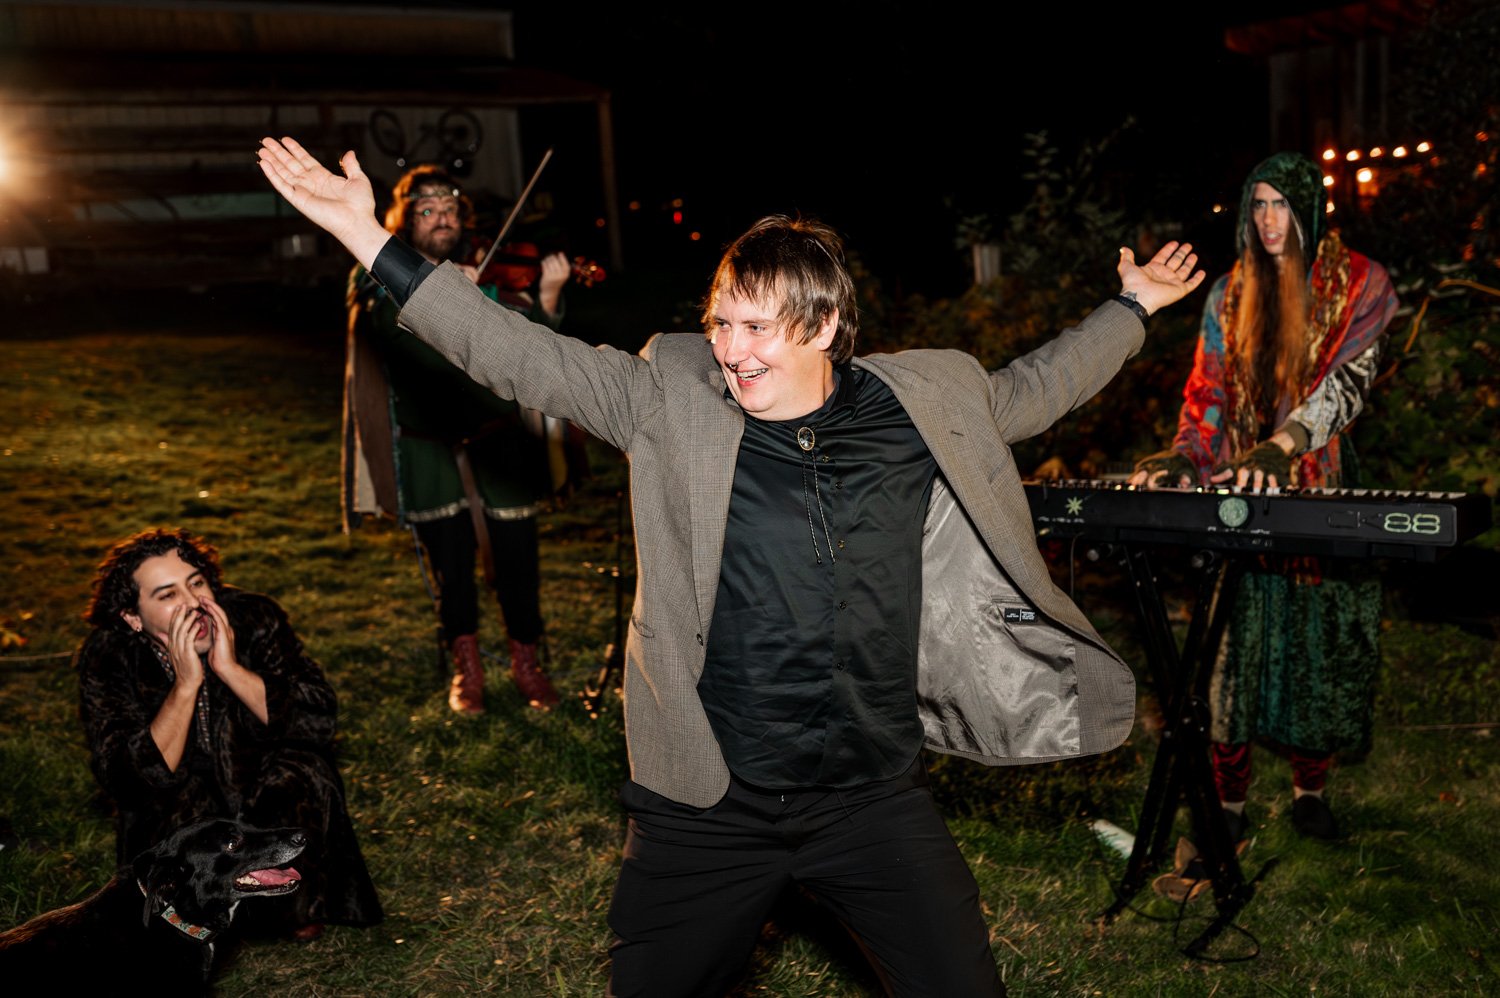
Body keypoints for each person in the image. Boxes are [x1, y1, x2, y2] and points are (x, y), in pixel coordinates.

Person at [259, 136, 1204, 995]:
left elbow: (1040, 385)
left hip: (870, 797)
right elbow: (518, 356)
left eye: (755, 328)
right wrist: (367, 240)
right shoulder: (671, 398)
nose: (729, 349)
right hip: (709, 804)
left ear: (825, 325)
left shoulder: (922, 401)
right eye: (720, 323)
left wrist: (1133, 307)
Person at [1130, 151, 1399, 842]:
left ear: (1308, 209)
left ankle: (1311, 792)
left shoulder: (1360, 285)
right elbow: (1208, 393)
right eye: (1258, 205)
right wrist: (1184, 455)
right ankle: (1229, 806)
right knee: (1231, 653)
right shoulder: (1228, 293)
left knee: (1317, 647)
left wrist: (1282, 448)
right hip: (1236, 493)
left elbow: (1344, 387)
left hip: (1316, 484)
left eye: (1281, 204)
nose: (1268, 219)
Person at [75, 528, 383, 941]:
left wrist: (230, 670)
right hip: (185, 805)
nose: (191, 604)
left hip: (257, 786)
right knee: (170, 802)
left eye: (196, 583)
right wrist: (185, 686)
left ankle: (297, 903)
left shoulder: (255, 617)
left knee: (303, 768)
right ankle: (198, 913)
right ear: (133, 617)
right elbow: (128, 779)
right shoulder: (109, 655)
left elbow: (317, 719)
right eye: (167, 595)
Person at [344, 163, 567, 712]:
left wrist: (551, 299)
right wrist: (437, 293)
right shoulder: (377, 272)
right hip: (427, 446)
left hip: (498, 440)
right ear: (405, 219)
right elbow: (376, 318)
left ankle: (526, 659)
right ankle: (466, 666)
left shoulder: (485, 274)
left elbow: (538, 351)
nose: (442, 218)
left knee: (519, 559)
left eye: (450, 209)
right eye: (428, 210)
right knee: (451, 566)